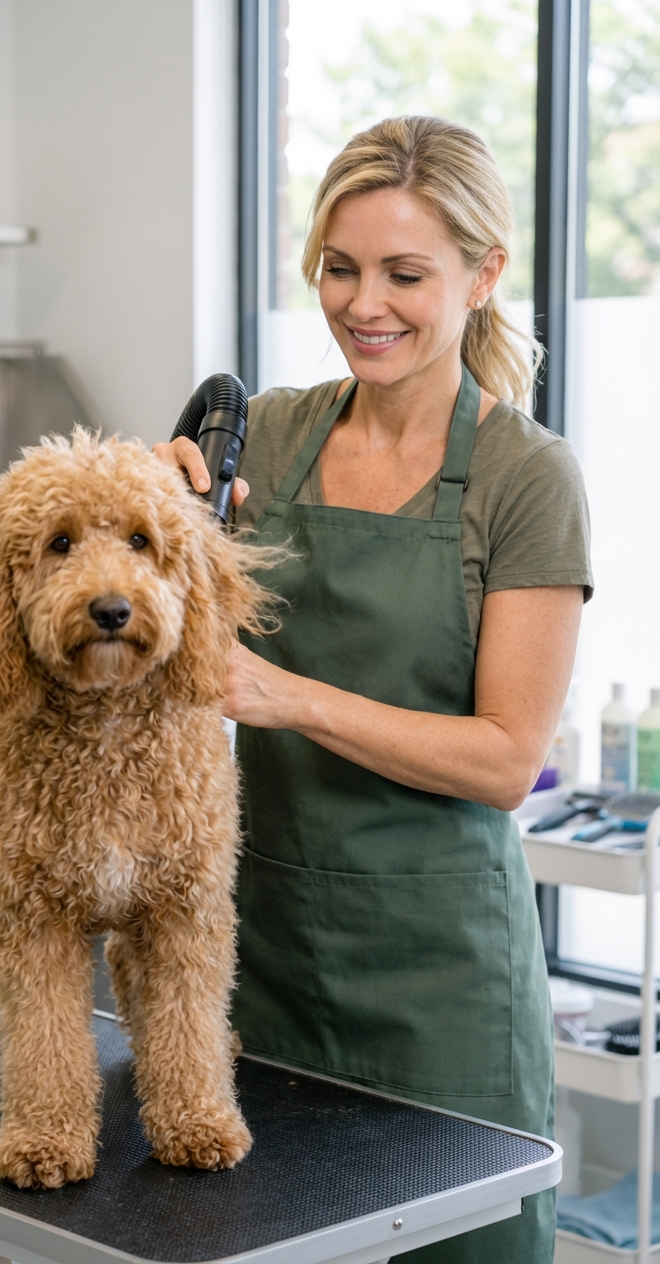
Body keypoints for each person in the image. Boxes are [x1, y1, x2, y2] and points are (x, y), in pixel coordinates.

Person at [155, 115, 592, 1263]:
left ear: (482, 274)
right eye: (339, 270)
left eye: (404, 273)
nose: (364, 304)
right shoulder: (275, 434)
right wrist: (151, 500)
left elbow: (504, 760)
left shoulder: (525, 477)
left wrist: (284, 695)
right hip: (265, 964)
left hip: (441, 992)